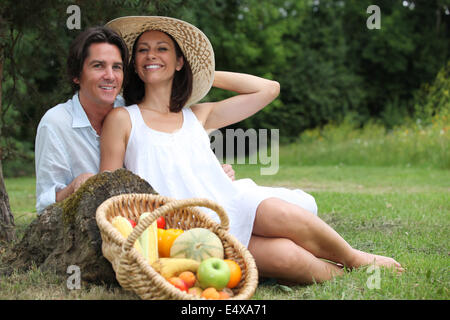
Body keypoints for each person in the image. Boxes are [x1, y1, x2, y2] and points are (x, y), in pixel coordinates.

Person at [100, 16, 404, 284]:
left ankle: (356, 259)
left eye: (162, 49)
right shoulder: (123, 119)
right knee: (287, 258)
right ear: (135, 65)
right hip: (185, 231)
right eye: (143, 50)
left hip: (227, 203)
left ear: (180, 61)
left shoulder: (197, 115)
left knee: (283, 212)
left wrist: (199, 72)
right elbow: (109, 189)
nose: (151, 55)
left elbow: (268, 89)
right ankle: (343, 276)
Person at [34, 26, 235, 214]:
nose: (110, 76)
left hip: (150, 213)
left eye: (117, 67)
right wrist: (75, 186)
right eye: (98, 66)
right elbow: (44, 205)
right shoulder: (56, 123)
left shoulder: (130, 110)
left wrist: (210, 174)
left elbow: (166, 158)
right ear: (76, 75)